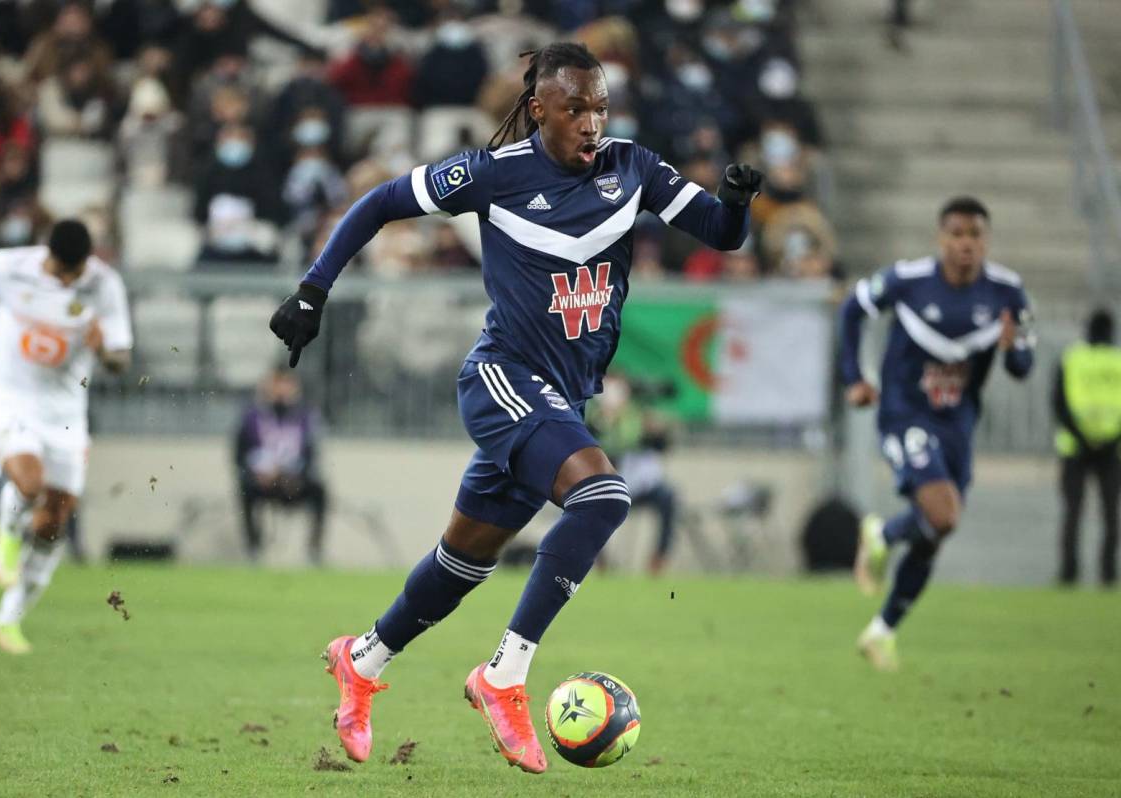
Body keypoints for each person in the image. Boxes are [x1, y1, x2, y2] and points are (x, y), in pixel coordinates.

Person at [268, 43, 761, 772]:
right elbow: (377, 204)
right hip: (504, 377)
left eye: (600, 107)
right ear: (539, 110)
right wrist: (313, 290)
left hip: (561, 397)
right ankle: (503, 677)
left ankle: (363, 658)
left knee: (462, 563)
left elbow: (723, 234)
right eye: (575, 109)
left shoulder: (634, 167)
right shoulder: (492, 174)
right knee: (602, 495)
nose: (592, 122)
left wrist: (739, 197)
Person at [838, 196, 1035, 671]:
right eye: (957, 234)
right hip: (905, 414)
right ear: (940, 238)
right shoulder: (907, 280)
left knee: (932, 534)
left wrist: (1012, 350)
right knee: (944, 515)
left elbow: (1024, 366)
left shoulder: (1007, 292)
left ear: (985, 241)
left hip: (958, 426)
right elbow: (852, 309)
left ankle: (881, 631)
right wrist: (855, 377)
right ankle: (882, 532)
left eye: (975, 235)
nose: (965, 244)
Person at [0, 219, 132, 655]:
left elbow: (120, 360)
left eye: (76, 273)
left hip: (66, 411)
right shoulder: (9, 267)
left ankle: (8, 618)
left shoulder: (104, 285)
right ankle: (8, 530)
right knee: (29, 482)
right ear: (46, 256)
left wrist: (101, 349)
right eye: (61, 272)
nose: (68, 280)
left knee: (55, 519)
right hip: (9, 397)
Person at [1052, 308, 1121, 587]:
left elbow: (1058, 403)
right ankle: (1108, 573)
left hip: (1075, 447)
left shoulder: (1072, 358)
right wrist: (1109, 440)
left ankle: (1069, 572)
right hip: (1111, 448)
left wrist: (1081, 437)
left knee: (1073, 511)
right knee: (1110, 513)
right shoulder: (1118, 361)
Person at [587, 374, 680, 574]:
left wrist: (657, 432)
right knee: (587, 505)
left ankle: (658, 559)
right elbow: (595, 444)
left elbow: (660, 446)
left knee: (668, 497)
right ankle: (598, 561)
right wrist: (606, 418)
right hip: (609, 484)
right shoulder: (593, 414)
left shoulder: (637, 414)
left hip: (640, 485)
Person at [234, 367, 328, 563]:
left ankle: (314, 549)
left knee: (319, 489)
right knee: (245, 489)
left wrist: (296, 475)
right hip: (262, 481)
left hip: (294, 480)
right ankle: (253, 547)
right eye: (277, 383)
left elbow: (312, 454)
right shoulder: (251, 417)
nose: (281, 389)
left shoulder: (305, 417)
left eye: (286, 384)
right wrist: (257, 472)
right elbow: (239, 454)